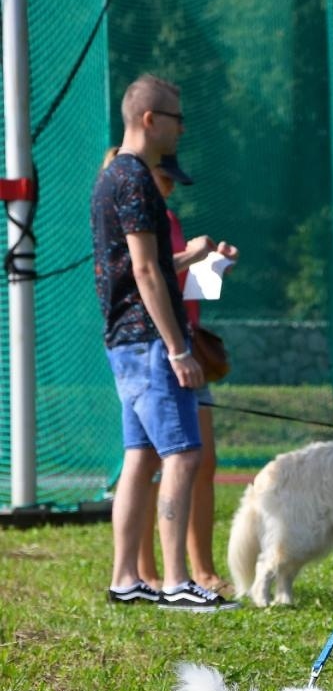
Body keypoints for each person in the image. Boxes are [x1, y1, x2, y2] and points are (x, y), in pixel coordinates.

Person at [91, 74, 238, 611]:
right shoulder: (134, 180)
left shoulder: (115, 178)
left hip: (124, 340)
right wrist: (177, 348)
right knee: (182, 454)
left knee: (141, 454)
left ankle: (126, 576)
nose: (182, 128)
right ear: (150, 119)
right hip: (150, 342)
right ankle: (177, 580)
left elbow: (133, 268)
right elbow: (148, 272)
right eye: (176, 117)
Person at [136, 154, 238, 594]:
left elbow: (176, 279)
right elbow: (143, 275)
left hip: (189, 346)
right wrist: (190, 255)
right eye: (164, 179)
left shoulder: (169, 217)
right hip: (158, 351)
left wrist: (211, 264)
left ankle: (202, 568)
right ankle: (145, 571)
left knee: (203, 461)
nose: (171, 188)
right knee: (148, 465)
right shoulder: (134, 216)